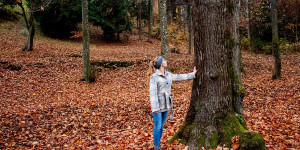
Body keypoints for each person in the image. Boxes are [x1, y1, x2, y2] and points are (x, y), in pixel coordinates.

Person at [148, 56, 197, 150]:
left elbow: (179, 77)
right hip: (157, 107)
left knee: (161, 126)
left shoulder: (168, 74)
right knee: (157, 126)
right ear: (160, 64)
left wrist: (192, 74)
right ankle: (156, 146)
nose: (166, 61)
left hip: (166, 105)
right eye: (164, 60)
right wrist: (155, 108)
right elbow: (152, 93)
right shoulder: (154, 77)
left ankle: (158, 144)